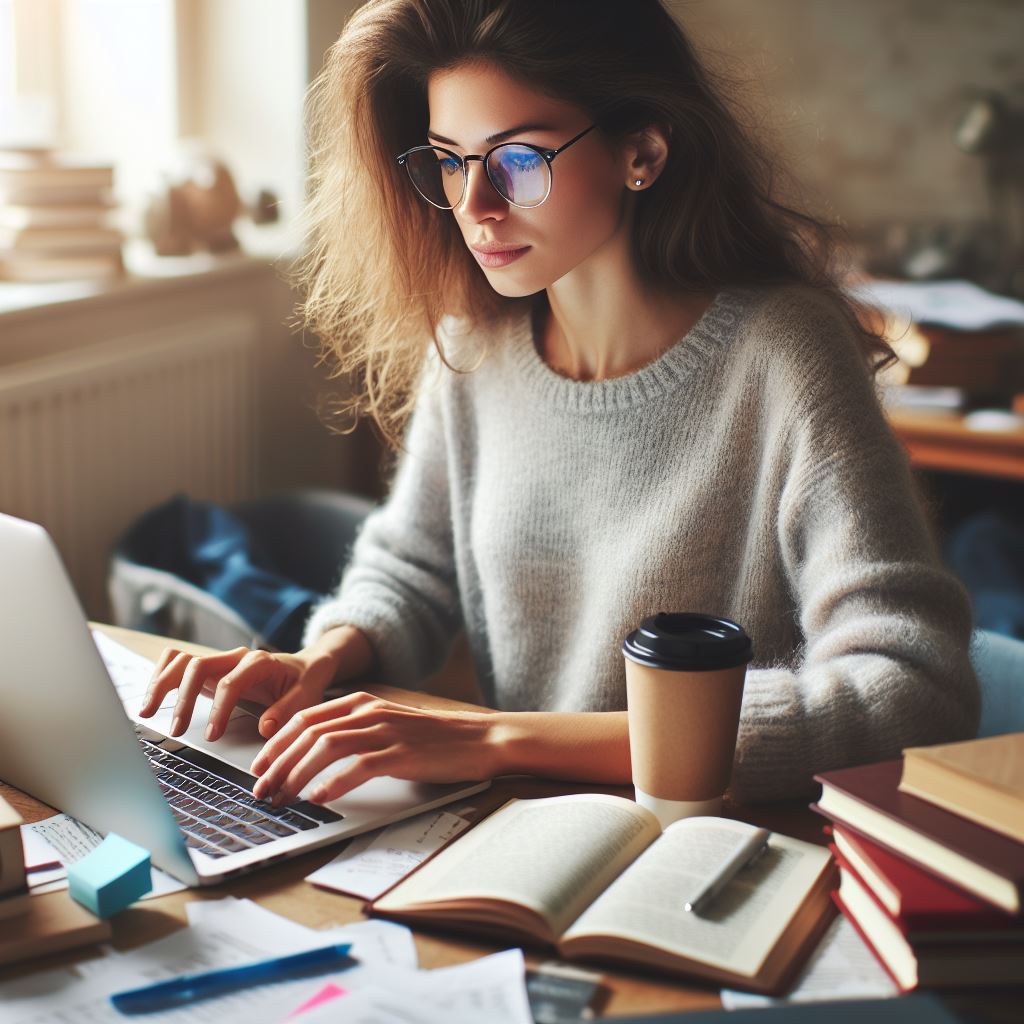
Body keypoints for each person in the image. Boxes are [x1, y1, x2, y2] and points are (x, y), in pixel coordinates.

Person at [140, 0, 979, 807]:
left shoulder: (783, 353)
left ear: (641, 151)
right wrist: (319, 659)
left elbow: (912, 689)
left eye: (517, 160)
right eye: (450, 159)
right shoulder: (476, 348)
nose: (475, 207)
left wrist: (503, 742)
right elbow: (412, 569)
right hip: (517, 832)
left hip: (719, 847)